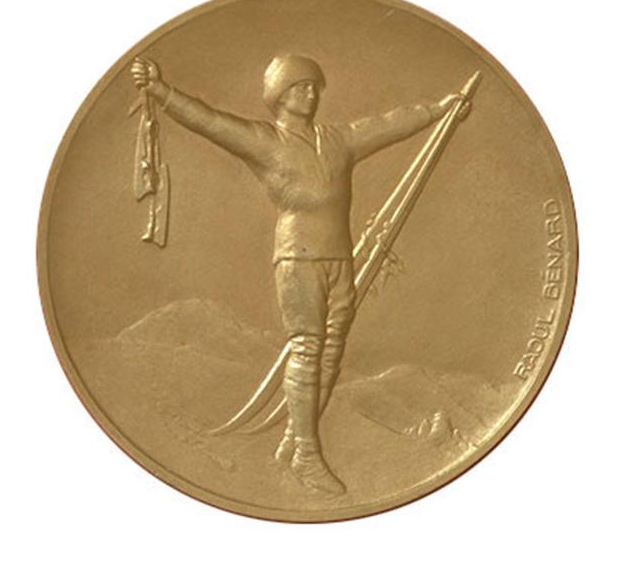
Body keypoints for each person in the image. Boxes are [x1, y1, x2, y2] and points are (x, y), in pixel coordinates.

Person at [131, 55, 468, 494]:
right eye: (300, 86)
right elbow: (210, 121)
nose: (311, 93)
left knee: (331, 352)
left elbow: (385, 124)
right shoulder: (264, 141)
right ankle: (307, 456)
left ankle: (293, 440)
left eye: (314, 86)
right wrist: (162, 92)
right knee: (308, 349)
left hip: (339, 258)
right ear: (279, 95)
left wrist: (437, 110)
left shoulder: (337, 140)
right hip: (297, 259)